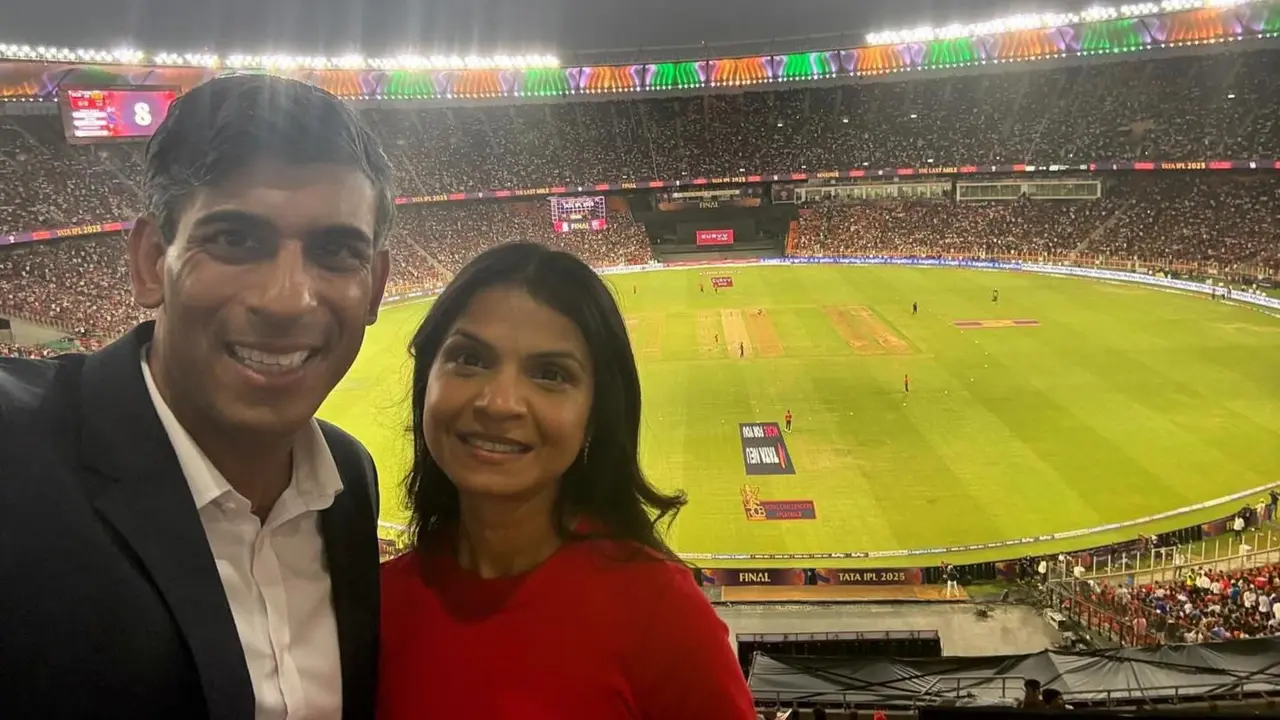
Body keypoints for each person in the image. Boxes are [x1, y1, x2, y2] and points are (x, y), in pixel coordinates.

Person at [0, 74, 392, 719]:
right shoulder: (18, 455)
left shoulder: (350, 480)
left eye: (335, 250)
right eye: (237, 240)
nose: (286, 299)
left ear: (375, 286)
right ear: (152, 260)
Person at [378, 242, 755, 718]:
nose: (500, 403)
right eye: (470, 359)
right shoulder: (377, 606)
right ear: (426, 378)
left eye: (550, 374)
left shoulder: (662, 617)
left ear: (595, 414)